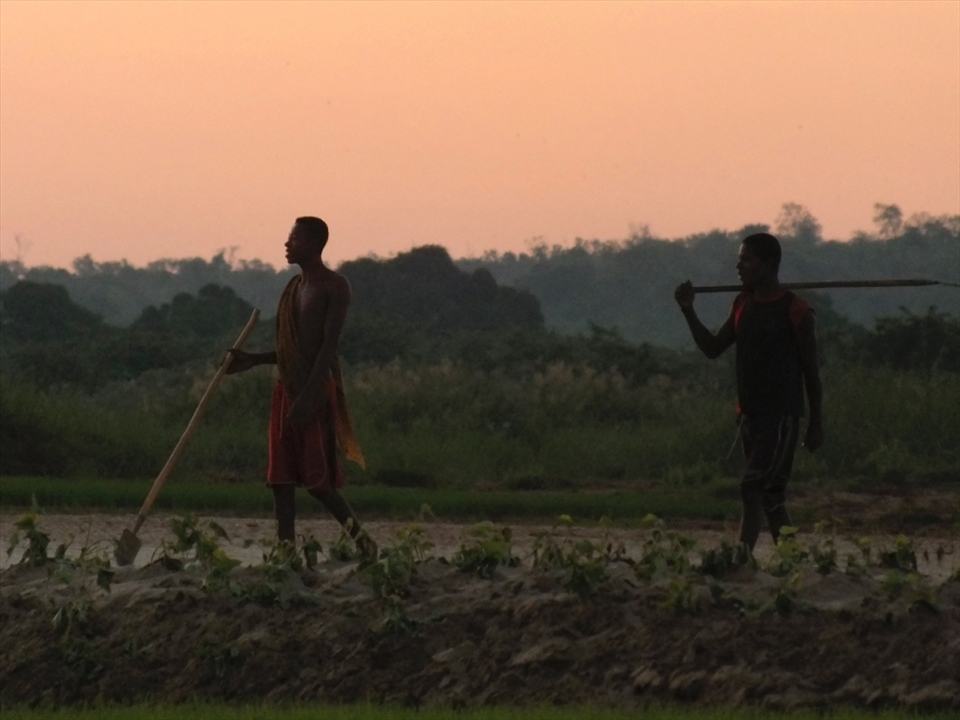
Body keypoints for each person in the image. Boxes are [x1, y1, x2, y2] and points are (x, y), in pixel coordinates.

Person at [227, 216, 376, 559]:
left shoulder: (334, 286)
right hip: (286, 389)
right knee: (280, 481)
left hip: (315, 392)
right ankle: (286, 554)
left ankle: (365, 544)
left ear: (312, 243)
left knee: (319, 484)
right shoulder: (294, 288)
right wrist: (254, 359)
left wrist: (309, 397)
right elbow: (292, 351)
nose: (286, 244)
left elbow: (327, 347)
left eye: (293, 238)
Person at [674, 232, 823, 551]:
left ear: (767, 264)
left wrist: (815, 422)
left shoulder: (796, 311)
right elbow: (713, 347)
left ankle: (741, 557)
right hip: (750, 416)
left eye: (746, 259)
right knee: (769, 496)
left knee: (752, 486)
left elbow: (811, 371)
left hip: (780, 416)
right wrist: (688, 310)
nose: (738, 266)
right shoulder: (743, 303)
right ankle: (794, 561)